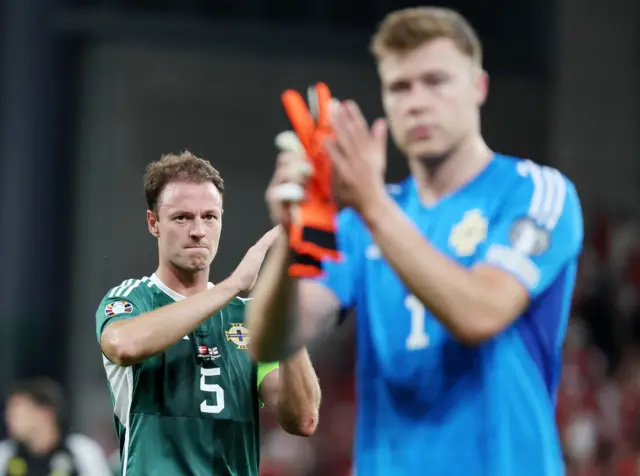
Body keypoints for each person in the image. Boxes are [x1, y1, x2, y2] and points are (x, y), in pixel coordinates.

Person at [246, 6, 583, 476]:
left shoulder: (535, 192)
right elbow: (269, 341)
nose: (416, 102)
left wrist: (371, 205)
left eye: (436, 81)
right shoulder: (361, 220)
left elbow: (479, 312)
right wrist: (294, 233)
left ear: (478, 87)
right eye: (400, 87)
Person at [96, 152, 321, 475]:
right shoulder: (132, 299)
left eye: (209, 217)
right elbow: (123, 345)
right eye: (182, 217)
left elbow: (302, 419)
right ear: (153, 223)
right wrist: (232, 286)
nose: (198, 230)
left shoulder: (250, 317)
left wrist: (286, 296)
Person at [0, 377, 112, 476]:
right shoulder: (5, 455)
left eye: (17, 412)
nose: (8, 418)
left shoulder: (82, 452)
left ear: (45, 413)